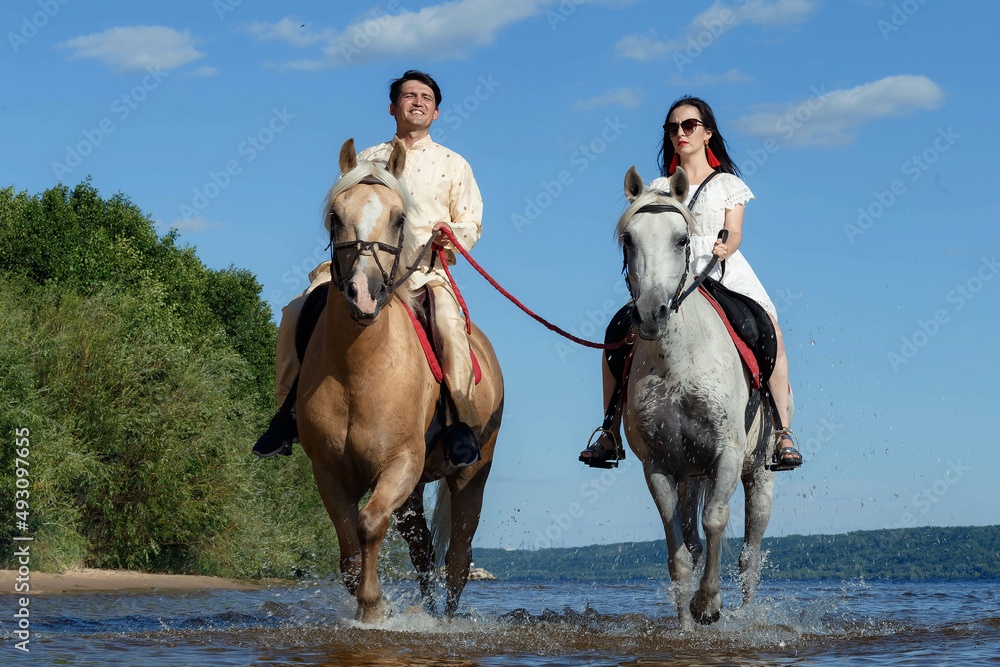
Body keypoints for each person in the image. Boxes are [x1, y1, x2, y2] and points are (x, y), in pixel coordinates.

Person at [254, 70, 485, 466]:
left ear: (436, 112)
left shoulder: (454, 164)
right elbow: (340, 213)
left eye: (426, 98)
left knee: (448, 324)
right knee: (295, 311)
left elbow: (472, 221)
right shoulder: (365, 160)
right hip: (357, 265)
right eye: (409, 96)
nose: (418, 102)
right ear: (393, 107)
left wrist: (452, 236)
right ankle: (288, 412)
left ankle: (460, 424)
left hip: (423, 271)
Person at [579, 95, 803, 470]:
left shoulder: (728, 184)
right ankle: (610, 430)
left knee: (772, 334)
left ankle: (782, 431)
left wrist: (725, 244)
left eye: (689, 126)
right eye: (672, 128)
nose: (680, 133)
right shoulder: (658, 185)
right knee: (616, 334)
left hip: (719, 271)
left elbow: (735, 232)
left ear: (707, 133)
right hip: (669, 277)